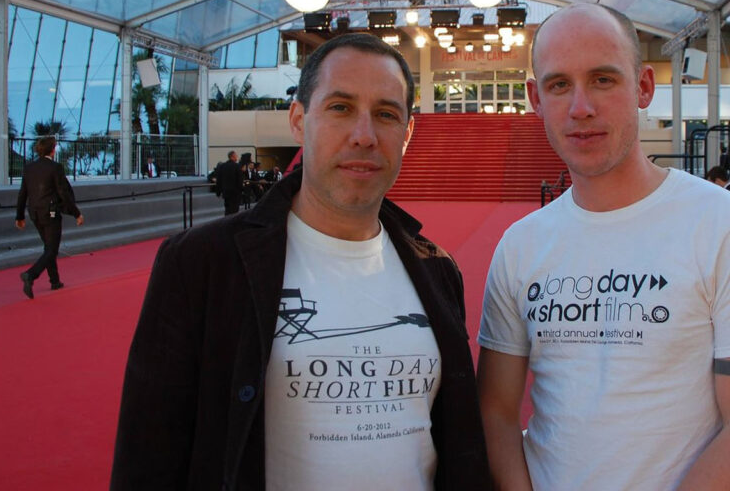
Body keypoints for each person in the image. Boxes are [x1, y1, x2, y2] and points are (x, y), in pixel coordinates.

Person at [112, 33, 489, 490]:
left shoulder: (437, 269)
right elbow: (149, 459)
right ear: (298, 119)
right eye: (340, 108)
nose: (364, 135)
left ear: (407, 133)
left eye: (386, 114)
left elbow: (456, 439)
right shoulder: (201, 265)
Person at [476, 4, 730, 490]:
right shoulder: (520, 246)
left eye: (603, 79)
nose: (581, 107)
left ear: (644, 87)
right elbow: (496, 412)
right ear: (536, 99)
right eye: (560, 85)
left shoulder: (725, 226)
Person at [15, 136, 85, 299]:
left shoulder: (29, 168)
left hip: (35, 213)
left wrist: (19, 216)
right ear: (52, 149)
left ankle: (55, 280)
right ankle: (31, 275)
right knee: (52, 249)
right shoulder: (55, 168)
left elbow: (22, 194)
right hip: (51, 213)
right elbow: (63, 193)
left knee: (49, 247)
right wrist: (76, 213)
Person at [216, 149, 244, 215]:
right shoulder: (237, 166)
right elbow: (239, 180)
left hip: (226, 192)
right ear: (232, 156)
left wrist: (218, 191)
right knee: (234, 210)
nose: (237, 158)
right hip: (235, 193)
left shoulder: (222, 166)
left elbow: (219, 179)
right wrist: (242, 189)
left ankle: (226, 222)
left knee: (227, 209)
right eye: (236, 156)